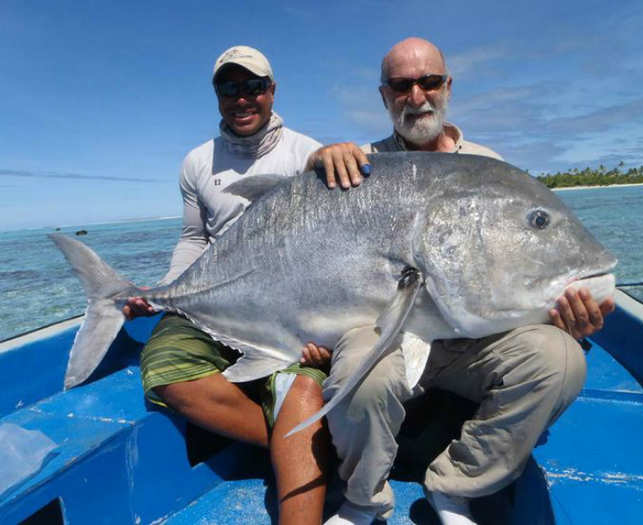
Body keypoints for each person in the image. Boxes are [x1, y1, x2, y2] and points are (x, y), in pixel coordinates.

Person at [312, 37, 616, 525]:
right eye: (401, 85)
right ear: (384, 96)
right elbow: (296, 226)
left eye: (429, 82)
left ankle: (455, 487)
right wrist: (316, 161)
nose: (417, 96)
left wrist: (562, 314)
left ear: (447, 86)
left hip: (476, 336)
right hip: (390, 326)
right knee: (359, 382)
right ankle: (363, 499)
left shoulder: (490, 167)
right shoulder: (358, 166)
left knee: (560, 361)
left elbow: (513, 259)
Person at [123, 45, 331, 525]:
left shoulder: (306, 152)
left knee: (299, 384)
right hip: (213, 299)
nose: (242, 98)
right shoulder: (197, 162)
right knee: (165, 368)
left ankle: (300, 437)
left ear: (272, 91)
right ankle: (307, 441)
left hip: (290, 306)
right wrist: (164, 290)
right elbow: (194, 238)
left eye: (253, 87)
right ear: (217, 95)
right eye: (229, 88)